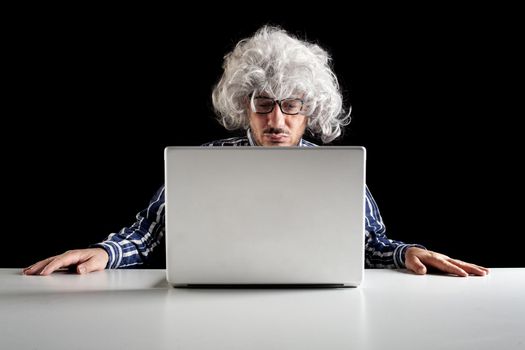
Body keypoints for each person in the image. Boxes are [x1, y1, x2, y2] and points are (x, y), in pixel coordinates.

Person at [23, 25, 489, 277]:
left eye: (292, 106)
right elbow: (148, 232)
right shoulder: (205, 163)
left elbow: (372, 242)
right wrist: (105, 253)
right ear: (244, 105)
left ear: (311, 111)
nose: (277, 120)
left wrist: (407, 252)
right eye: (263, 105)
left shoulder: (336, 171)